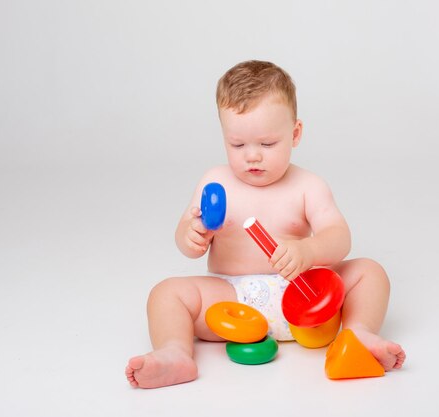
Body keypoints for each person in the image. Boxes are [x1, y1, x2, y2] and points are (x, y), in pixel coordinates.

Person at [125, 60, 406, 389]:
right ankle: (175, 353)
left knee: (369, 272)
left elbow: (339, 236)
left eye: (267, 144)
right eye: (238, 145)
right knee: (166, 293)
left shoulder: (307, 185)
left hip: (304, 292)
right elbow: (185, 240)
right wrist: (191, 236)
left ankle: (359, 333)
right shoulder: (215, 182)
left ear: (295, 134)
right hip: (231, 298)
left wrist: (309, 249)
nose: (252, 156)